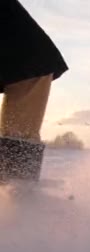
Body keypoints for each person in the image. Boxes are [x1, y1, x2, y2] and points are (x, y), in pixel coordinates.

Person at [0, 0, 68, 182]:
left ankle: (20, 192)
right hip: (23, 60)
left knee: (18, 135)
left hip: (31, 61)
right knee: (16, 134)